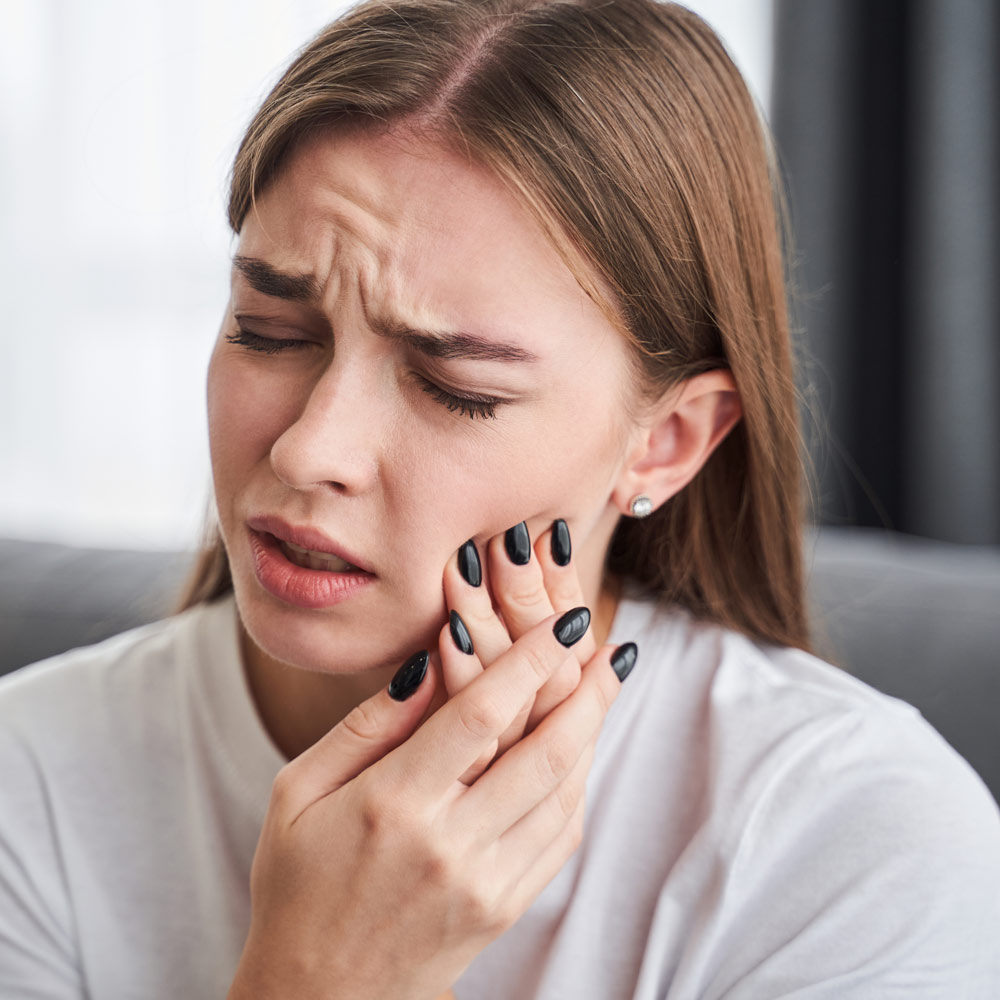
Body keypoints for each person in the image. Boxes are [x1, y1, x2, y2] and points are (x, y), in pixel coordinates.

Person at [2, 0, 999, 997]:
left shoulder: (860, 840)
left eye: (456, 388)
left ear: (666, 444)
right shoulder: (28, 782)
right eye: (268, 329)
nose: (309, 450)